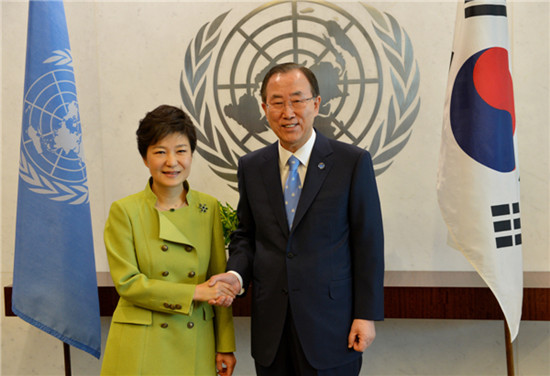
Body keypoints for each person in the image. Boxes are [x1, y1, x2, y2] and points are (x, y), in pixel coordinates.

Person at [210, 62, 385, 376]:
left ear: (316, 104)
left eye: (297, 100)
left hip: (333, 328)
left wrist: (366, 315)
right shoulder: (252, 167)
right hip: (271, 330)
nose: (287, 112)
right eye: (277, 102)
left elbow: (368, 243)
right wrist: (236, 276)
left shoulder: (351, 162)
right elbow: (246, 237)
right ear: (264, 108)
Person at [101, 105, 236, 376]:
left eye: (181, 151)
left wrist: (226, 345)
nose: (172, 162)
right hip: (143, 340)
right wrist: (193, 293)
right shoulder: (124, 211)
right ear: (144, 157)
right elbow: (128, 284)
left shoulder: (207, 207)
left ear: (192, 154)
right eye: (160, 151)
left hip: (195, 337)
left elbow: (218, 279)